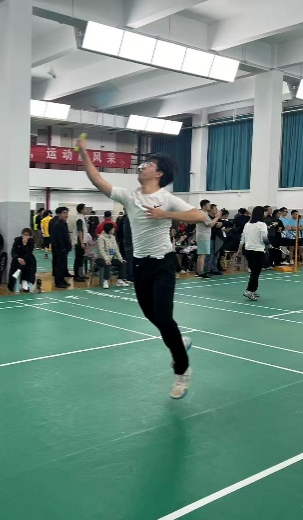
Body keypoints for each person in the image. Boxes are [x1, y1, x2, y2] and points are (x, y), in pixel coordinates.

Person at [77, 137, 206, 400]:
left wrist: (166, 214)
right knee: (151, 315)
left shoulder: (166, 198)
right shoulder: (129, 196)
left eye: (148, 164)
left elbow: (200, 216)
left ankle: (182, 371)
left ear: (159, 173)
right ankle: (179, 341)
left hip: (163, 262)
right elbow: (97, 180)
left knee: (164, 317)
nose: (142, 166)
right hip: (140, 263)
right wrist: (84, 154)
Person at [239, 206, 269, 301]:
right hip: (258, 251)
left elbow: (243, 237)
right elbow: (264, 237)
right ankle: (249, 291)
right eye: (264, 212)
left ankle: (253, 289)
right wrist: (269, 244)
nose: (266, 213)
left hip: (248, 250)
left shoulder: (247, 224)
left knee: (254, 272)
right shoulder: (262, 225)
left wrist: (239, 249)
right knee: (255, 273)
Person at [95, 223, 126, 288]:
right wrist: (106, 259)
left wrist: (120, 259)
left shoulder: (113, 237)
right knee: (107, 263)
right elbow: (101, 250)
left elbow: (116, 250)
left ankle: (120, 280)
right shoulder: (101, 238)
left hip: (110, 258)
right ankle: (105, 281)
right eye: (113, 229)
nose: (114, 230)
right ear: (109, 230)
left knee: (122, 263)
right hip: (100, 258)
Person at [51, 207, 72, 289]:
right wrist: (62, 248)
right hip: (59, 249)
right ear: (59, 214)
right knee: (59, 265)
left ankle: (62, 280)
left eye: (67, 213)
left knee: (63, 265)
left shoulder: (64, 223)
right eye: (64, 213)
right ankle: (58, 282)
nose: (66, 215)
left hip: (64, 249)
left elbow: (66, 236)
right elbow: (58, 238)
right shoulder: (57, 225)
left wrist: (68, 246)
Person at [73, 204, 89, 282]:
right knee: (78, 259)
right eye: (85, 208)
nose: (86, 210)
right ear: (81, 210)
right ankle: (77, 276)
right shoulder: (79, 219)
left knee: (81, 259)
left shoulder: (82, 218)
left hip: (82, 241)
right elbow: (80, 231)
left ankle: (80, 274)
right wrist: (82, 242)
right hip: (79, 242)